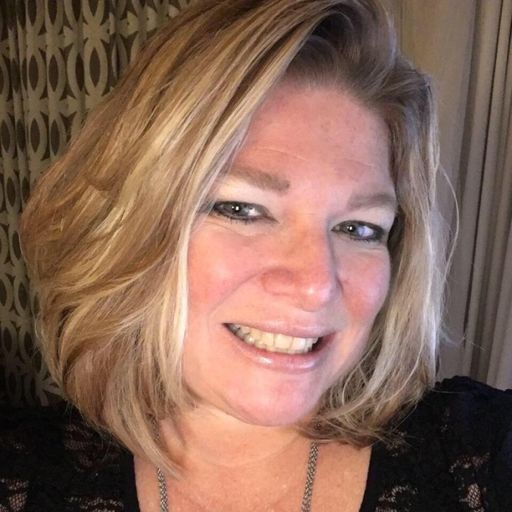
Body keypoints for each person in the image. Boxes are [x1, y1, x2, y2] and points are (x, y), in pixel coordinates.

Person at [1, 0, 511, 510]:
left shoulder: (479, 453)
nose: (316, 284)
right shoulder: (22, 475)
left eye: (358, 228)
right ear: (129, 227)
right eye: (243, 210)